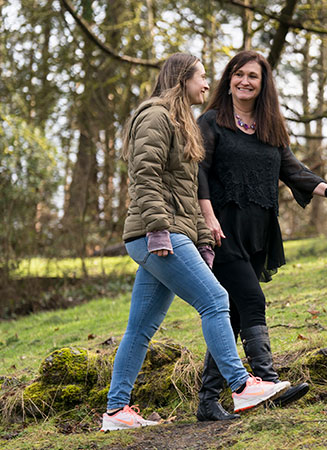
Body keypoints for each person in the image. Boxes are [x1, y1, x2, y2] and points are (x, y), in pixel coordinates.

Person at [100, 53, 290, 432]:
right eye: (202, 77)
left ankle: (116, 411)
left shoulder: (179, 122)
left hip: (169, 232)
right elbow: (145, 176)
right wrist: (157, 230)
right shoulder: (155, 115)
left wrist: (202, 239)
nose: (207, 84)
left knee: (140, 327)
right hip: (157, 233)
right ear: (182, 79)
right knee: (217, 300)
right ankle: (242, 386)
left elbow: (187, 194)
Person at [195, 51, 327, 422]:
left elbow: (292, 169)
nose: (245, 81)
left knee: (233, 314)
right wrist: (207, 217)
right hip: (222, 230)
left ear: (264, 84)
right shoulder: (212, 122)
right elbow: (197, 171)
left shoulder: (270, 129)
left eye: (253, 76)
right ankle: (266, 381)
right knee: (252, 299)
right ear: (228, 79)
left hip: (258, 231)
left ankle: (207, 399)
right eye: (238, 74)